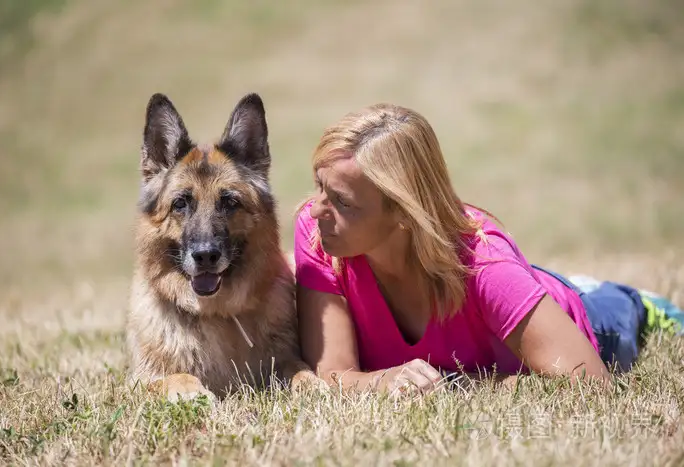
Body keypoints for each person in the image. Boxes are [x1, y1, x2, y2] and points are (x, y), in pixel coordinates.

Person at [292, 102, 683, 397]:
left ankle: (640, 303)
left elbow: (589, 381)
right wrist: (383, 380)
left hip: (592, 320)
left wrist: (469, 385)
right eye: (318, 185)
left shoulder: (482, 263)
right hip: (517, 299)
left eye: (342, 202)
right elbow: (333, 374)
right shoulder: (318, 235)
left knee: (615, 307)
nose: (316, 208)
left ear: (404, 213)